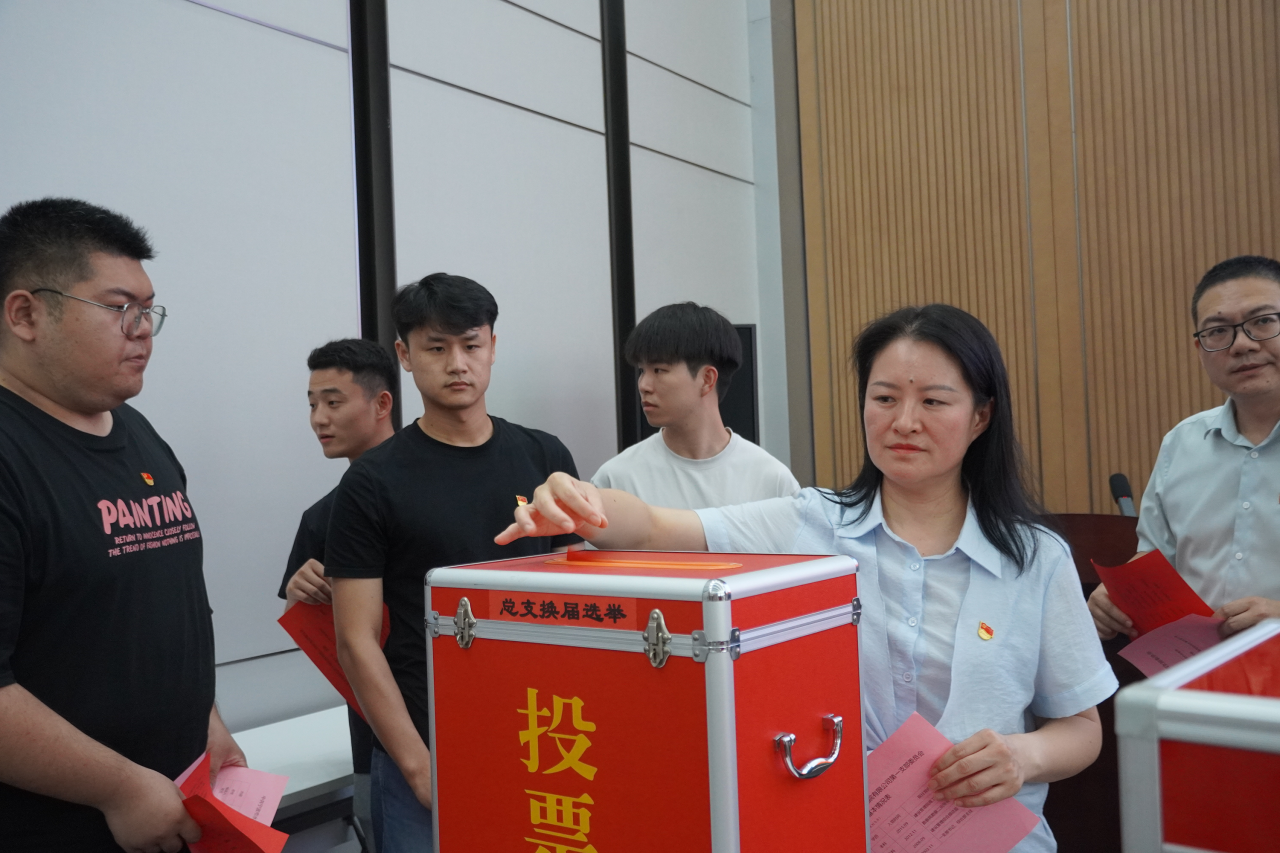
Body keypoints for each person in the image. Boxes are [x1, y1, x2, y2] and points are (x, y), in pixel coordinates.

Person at [498, 304, 1116, 852]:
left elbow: (1081, 728)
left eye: (933, 401)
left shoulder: (1035, 559)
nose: (904, 421)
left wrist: (1025, 755)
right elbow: (658, 527)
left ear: (980, 416)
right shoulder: (811, 524)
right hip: (838, 834)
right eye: (884, 398)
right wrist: (582, 499)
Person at [0, 197, 243, 852]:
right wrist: (120, 788)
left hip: (174, 811)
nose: (143, 331)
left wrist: (207, 719)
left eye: (149, 310)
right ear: (25, 314)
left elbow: (166, 603)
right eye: (119, 308)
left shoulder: (138, 434)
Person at [327, 273, 581, 853]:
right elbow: (355, 641)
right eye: (436, 348)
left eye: (471, 344)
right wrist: (417, 765)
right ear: (405, 356)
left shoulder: (544, 455)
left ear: (493, 346)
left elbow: (576, 600)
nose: (457, 364)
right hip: (428, 746)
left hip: (543, 733)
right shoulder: (372, 482)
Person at [1089, 256, 1280, 641]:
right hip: (1194, 669)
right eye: (1218, 331)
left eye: (1262, 321)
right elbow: (1154, 559)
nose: (1241, 345)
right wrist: (1119, 596)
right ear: (1200, 349)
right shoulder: (1183, 442)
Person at [278, 337, 398, 850]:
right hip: (374, 741)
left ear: (381, 403)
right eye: (312, 405)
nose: (318, 419)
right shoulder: (323, 516)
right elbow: (309, 627)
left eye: (332, 402)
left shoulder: (435, 487)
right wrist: (300, 592)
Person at [591, 302, 799, 508]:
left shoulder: (772, 482)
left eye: (659, 370)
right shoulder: (616, 479)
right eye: (642, 371)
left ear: (707, 379)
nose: (643, 385)